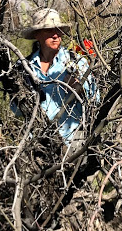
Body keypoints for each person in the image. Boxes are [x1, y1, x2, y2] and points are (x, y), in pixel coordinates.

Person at [13, 8, 98, 145]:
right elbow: (15, 110)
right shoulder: (24, 67)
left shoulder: (76, 62)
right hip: (37, 143)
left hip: (72, 141)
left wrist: (78, 88)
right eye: (49, 30)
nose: (55, 35)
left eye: (58, 30)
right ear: (37, 35)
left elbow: (95, 100)